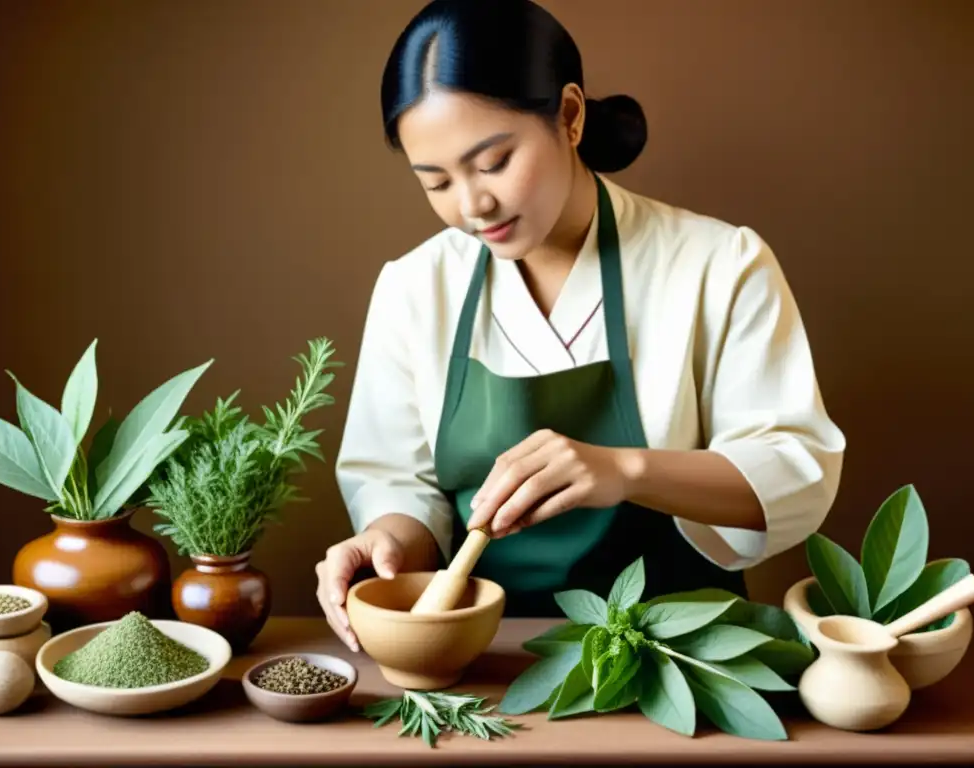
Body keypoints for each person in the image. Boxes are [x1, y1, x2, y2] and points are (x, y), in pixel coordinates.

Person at [317, 0, 846, 651]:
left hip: (684, 656)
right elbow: (399, 479)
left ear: (569, 115)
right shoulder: (414, 287)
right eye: (436, 182)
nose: (472, 204)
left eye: (492, 162)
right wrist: (388, 543)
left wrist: (624, 470)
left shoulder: (718, 263)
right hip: (488, 657)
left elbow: (797, 469)